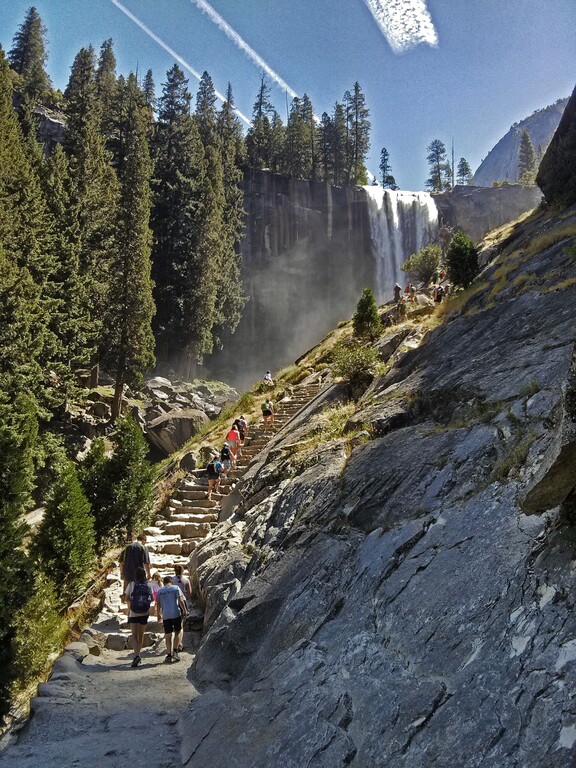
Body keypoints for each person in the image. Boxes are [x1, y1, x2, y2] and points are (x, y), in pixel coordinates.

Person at [125, 566, 153, 667]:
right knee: (141, 635)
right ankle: (138, 654)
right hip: (144, 613)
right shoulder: (148, 585)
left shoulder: (132, 584)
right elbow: (152, 599)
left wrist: (130, 608)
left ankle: (136, 655)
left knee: (134, 635)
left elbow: (127, 598)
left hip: (133, 613)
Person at [156, 575, 188, 663]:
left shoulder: (160, 591)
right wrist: (185, 610)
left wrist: (158, 615)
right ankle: (175, 651)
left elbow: (158, 604)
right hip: (175, 613)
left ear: (164, 582)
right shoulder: (175, 588)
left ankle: (168, 654)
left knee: (168, 635)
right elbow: (180, 600)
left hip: (166, 615)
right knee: (178, 631)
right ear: (171, 581)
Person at [119, 534, 151, 598]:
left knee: (126, 592)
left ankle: (126, 601)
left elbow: (121, 562)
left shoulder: (127, 547)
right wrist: (149, 574)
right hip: (139, 573)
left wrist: (121, 573)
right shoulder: (143, 547)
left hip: (127, 572)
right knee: (140, 591)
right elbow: (146, 563)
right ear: (143, 540)